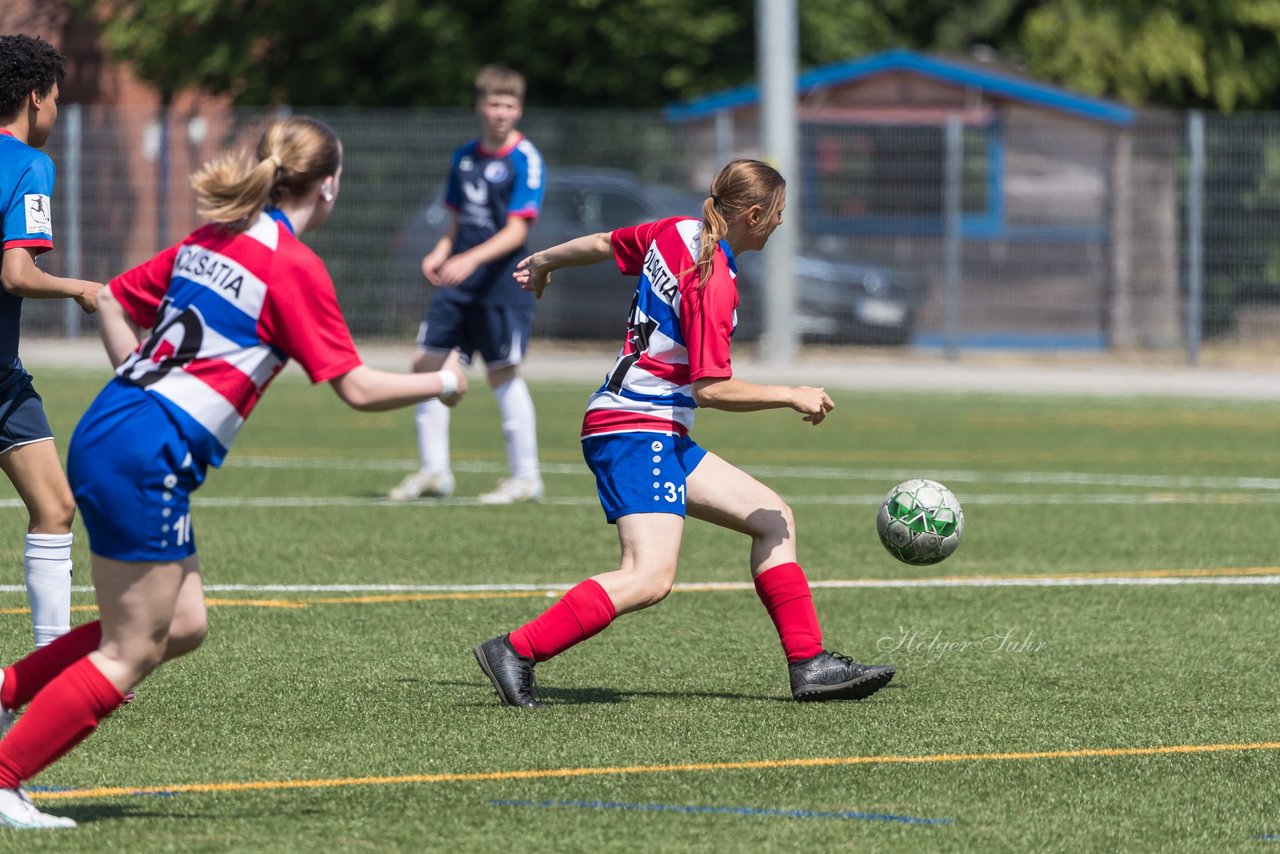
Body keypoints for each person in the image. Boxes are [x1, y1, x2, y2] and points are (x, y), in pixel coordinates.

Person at [0, 115, 467, 829]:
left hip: (115, 428)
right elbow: (358, 389)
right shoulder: (292, 266)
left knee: (181, 624)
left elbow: (113, 299)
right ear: (330, 185)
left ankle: (8, 688)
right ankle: (6, 779)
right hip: (143, 453)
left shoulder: (212, 238)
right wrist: (443, 384)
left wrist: (136, 377)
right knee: (132, 649)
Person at [473, 159, 896, 709]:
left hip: (654, 428)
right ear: (752, 214)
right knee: (648, 577)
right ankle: (516, 649)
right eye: (777, 215)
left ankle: (808, 664)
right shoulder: (712, 279)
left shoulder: (673, 231)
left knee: (773, 518)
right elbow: (711, 388)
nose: (779, 224)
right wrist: (790, 392)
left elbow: (604, 241)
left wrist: (546, 261)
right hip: (635, 427)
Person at [388, 64, 545, 505]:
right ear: (480, 106)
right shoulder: (464, 157)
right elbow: (456, 220)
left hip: (502, 282)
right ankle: (434, 470)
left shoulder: (525, 160)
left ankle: (526, 477)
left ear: (519, 110)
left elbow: (517, 232)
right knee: (427, 364)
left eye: (510, 105)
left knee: (501, 373)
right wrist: (441, 251)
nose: (501, 112)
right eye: (494, 103)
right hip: (459, 282)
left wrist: (467, 259)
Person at [0, 35, 103, 651]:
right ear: (35, 97)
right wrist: (81, 289)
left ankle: (52, 664)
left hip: (5, 381)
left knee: (55, 505)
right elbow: (15, 273)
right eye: (57, 100)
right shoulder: (28, 163)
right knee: (55, 509)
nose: (58, 114)